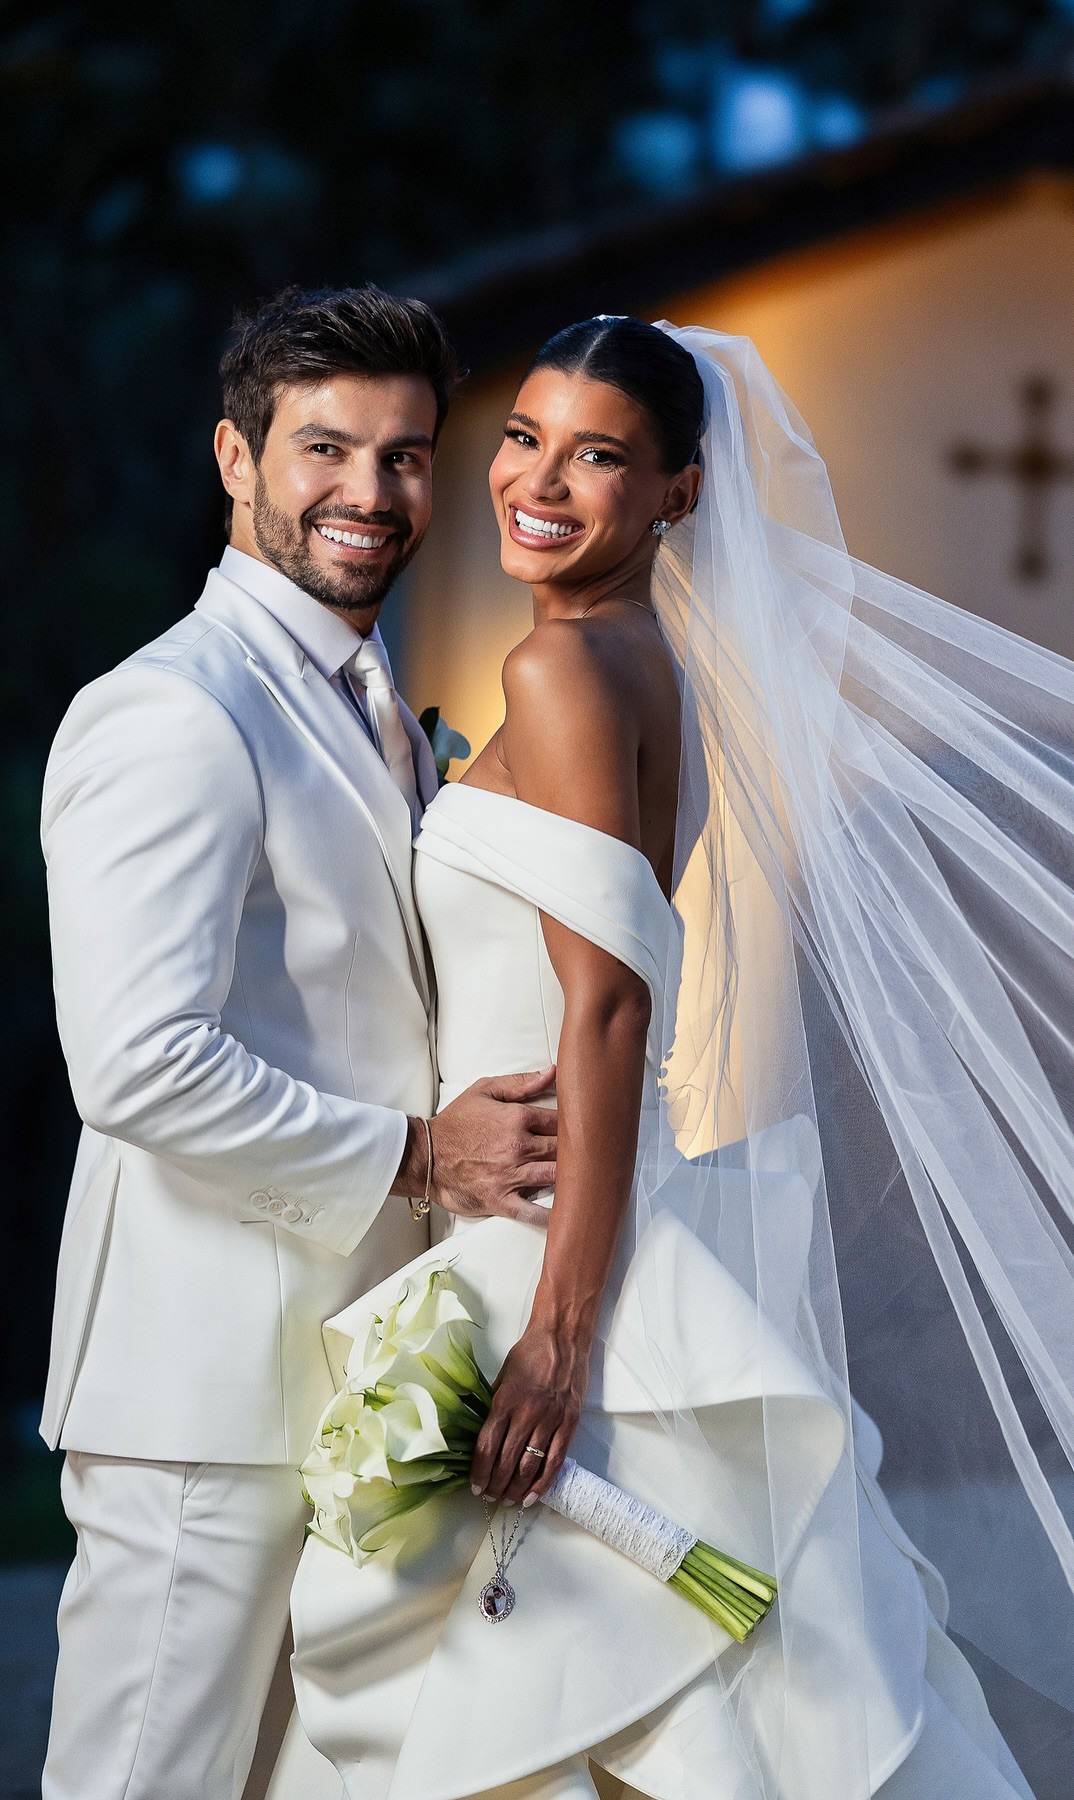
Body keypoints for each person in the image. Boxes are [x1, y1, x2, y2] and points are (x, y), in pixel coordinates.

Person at [285, 316, 1074, 1800]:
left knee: (585, 1685)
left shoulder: (566, 672)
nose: (540, 481)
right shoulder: (630, 661)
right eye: (523, 437)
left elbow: (612, 1009)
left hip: (549, 1235)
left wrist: (561, 1336)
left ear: (681, 494)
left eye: (599, 456)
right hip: (564, 1217)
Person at [39, 287, 563, 1800]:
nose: (369, 492)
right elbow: (137, 1059)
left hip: (358, 1377)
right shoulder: (172, 712)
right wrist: (419, 1156)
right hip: (195, 1390)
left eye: (406, 457)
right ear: (234, 457)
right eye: (324, 448)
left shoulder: (382, 710)